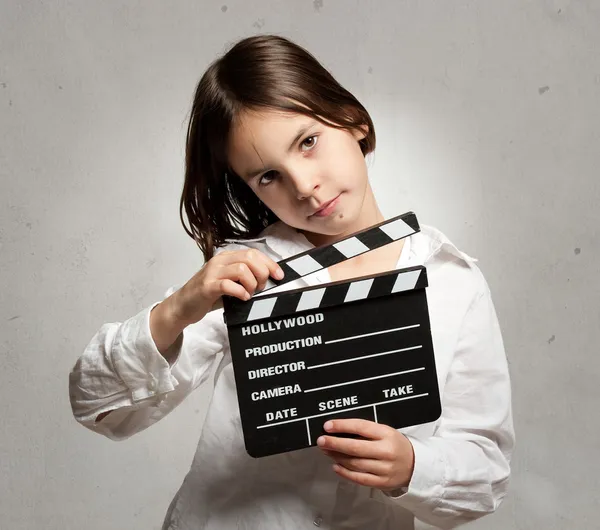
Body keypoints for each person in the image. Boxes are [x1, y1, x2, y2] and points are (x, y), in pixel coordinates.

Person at [69, 34, 514, 530]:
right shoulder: (247, 275)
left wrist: (413, 466)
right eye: (267, 177)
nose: (304, 186)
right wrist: (181, 308)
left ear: (353, 119)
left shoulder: (453, 281)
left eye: (308, 142)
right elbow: (99, 407)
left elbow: (486, 470)